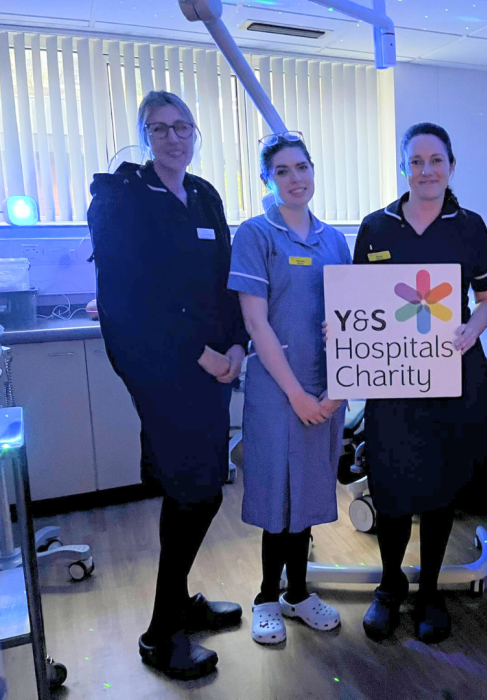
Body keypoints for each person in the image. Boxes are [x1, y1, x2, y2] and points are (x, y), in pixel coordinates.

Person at [87, 91, 246, 679]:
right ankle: (161, 633)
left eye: (182, 127)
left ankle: (177, 604)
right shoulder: (124, 198)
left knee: (199, 489)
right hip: (163, 370)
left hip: (213, 367)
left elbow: (227, 279)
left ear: (195, 132)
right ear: (144, 135)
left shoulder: (204, 195)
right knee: (193, 493)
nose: (173, 138)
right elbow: (131, 303)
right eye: (160, 129)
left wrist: (236, 344)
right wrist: (201, 353)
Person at [351, 123, 487, 643]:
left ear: (451, 165)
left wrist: (470, 332)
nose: (426, 170)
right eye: (415, 161)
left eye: (436, 160)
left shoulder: (470, 226)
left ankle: (431, 589)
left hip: (447, 373)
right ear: (403, 168)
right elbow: (358, 302)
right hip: (392, 382)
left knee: (439, 486)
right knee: (391, 485)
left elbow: (486, 302)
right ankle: (390, 587)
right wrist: (341, 324)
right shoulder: (376, 227)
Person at [228, 132, 351, 645]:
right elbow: (256, 324)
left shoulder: (334, 239)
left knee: (308, 493)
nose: (296, 178)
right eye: (282, 170)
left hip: (327, 390)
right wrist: (298, 395)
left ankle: (298, 594)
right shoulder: (256, 235)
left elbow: (353, 318)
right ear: (267, 179)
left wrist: (340, 388)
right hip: (280, 392)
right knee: (277, 494)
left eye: (302, 166)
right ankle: (265, 597)